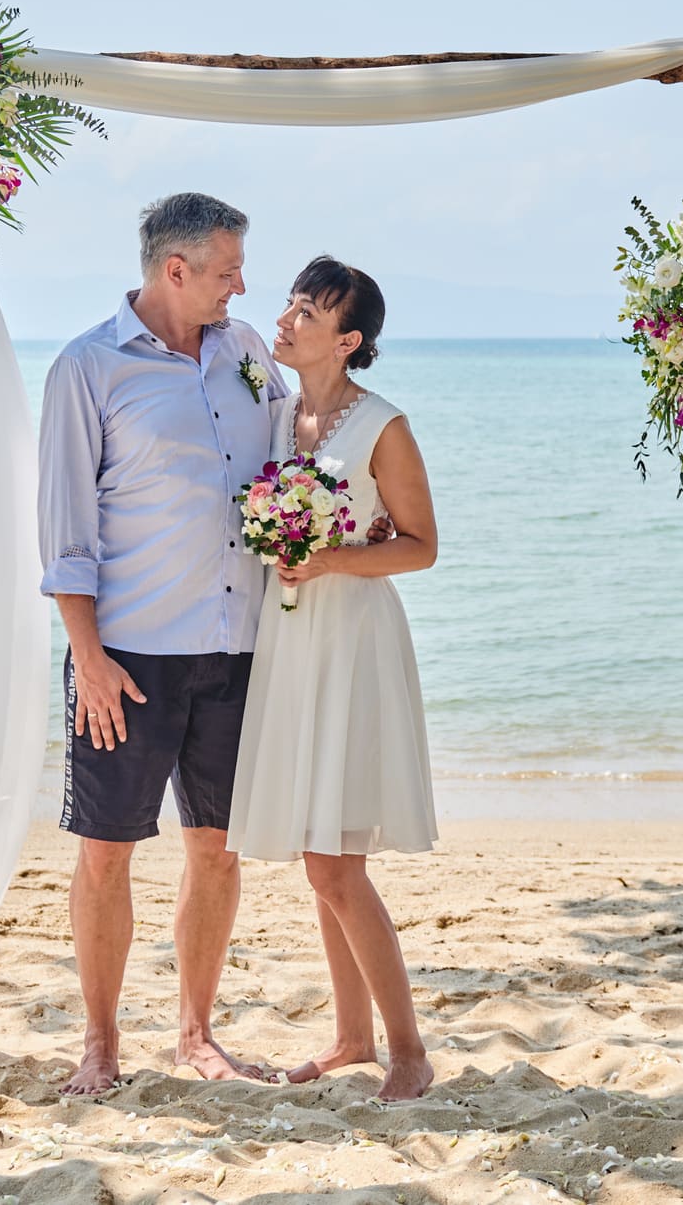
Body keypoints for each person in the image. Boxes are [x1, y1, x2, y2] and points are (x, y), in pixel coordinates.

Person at [36, 191, 288, 1096]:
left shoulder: (249, 352)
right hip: (128, 657)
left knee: (216, 849)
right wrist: (88, 655)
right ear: (174, 271)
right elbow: (66, 527)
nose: (242, 285)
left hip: (238, 646)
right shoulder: (89, 367)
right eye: (227, 271)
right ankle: (100, 1043)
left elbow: (292, 461)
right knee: (106, 850)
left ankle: (195, 1032)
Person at [228, 255, 441, 1102]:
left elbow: (421, 544)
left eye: (307, 310)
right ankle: (351, 1035)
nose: (286, 319)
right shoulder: (276, 419)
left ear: (348, 339)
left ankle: (409, 1049)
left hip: (352, 639)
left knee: (334, 863)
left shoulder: (383, 425)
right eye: (288, 303)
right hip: (290, 640)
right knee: (324, 848)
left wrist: (334, 556)